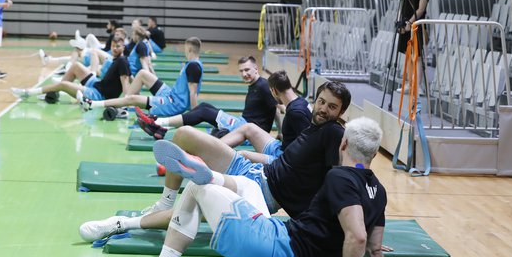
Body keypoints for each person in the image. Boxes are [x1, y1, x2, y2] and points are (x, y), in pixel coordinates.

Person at [113, 117, 426, 257]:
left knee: (195, 187)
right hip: (282, 242)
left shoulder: (339, 179)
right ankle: (219, 180)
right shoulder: (379, 192)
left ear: (343, 144)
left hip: (274, 252)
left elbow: (357, 238)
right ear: (373, 155)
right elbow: (374, 249)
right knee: (247, 186)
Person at [78, 81, 350, 241]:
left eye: (332, 106)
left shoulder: (333, 133)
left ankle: (121, 224)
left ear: (341, 112)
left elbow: (337, 181)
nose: (324, 109)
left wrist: (347, 226)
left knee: (195, 198)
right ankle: (165, 199)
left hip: (261, 193)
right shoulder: (314, 125)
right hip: (254, 170)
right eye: (322, 102)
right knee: (183, 135)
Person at [135, 56, 278, 140]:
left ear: (256, 69)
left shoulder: (264, 86)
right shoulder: (255, 85)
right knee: (204, 106)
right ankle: (163, 127)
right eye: (241, 71)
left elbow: (279, 108)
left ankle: (158, 123)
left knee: (204, 112)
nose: (244, 74)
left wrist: (281, 135)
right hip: (243, 124)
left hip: (248, 130)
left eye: (247, 70)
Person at [78, 37, 203, 117]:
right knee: (142, 74)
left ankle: (93, 104)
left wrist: (194, 116)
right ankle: (124, 105)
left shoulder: (193, 67)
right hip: (170, 95)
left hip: (173, 104)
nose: (185, 52)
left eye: (186, 50)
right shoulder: (193, 64)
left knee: (133, 98)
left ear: (190, 49)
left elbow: (193, 94)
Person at [219, 70, 311, 163]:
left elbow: (307, 146)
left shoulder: (295, 113)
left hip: (283, 161)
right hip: (281, 149)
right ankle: (214, 147)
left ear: (274, 90)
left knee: (242, 154)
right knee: (248, 127)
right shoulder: (302, 102)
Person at [11, 37, 129, 102]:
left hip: (98, 95)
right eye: (113, 46)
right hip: (97, 85)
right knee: (75, 66)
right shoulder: (114, 59)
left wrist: (126, 103)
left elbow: (126, 85)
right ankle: (53, 93)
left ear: (124, 47)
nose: (114, 48)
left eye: (117, 46)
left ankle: (27, 92)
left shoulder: (122, 61)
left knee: (64, 85)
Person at [397, 0, 429, 94]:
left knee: (418, 56)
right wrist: (400, 22)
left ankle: (418, 85)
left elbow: (421, 9)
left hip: (416, 25)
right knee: (408, 55)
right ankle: (410, 84)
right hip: (405, 25)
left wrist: (410, 23)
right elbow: (402, 7)